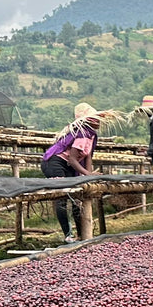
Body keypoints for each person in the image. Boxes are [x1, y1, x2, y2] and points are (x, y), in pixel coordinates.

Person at [42, 103, 117, 242]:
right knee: (62, 197)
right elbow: (72, 159)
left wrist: (87, 176)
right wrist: (88, 175)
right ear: (88, 121)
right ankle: (68, 235)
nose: (98, 121)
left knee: (77, 198)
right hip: (55, 163)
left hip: (68, 166)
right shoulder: (82, 134)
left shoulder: (91, 135)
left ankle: (82, 235)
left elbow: (87, 156)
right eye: (95, 118)